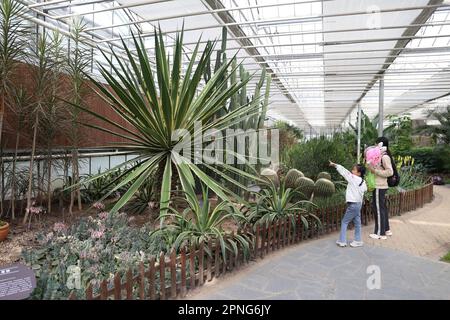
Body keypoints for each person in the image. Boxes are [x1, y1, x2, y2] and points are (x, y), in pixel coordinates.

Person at [329, 160, 367, 247]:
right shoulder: (362, 181)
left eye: (354, 170)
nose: (352, 171)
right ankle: (358, 240)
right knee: (357, 222)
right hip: (358, 204)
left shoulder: (353, 178)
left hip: (353, 204)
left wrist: (335, 165)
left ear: (359, 173)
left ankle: (342, 241)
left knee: (344, 222)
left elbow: (344, 172)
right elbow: (365, 190)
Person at [366, 137, 394, 240]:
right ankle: (386, 229)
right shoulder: (379, 156)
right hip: (380, 186)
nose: (375, 145)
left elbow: (390, 172)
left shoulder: (384, 157)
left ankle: (379, 233)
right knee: (382, 208)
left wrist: (375, 171)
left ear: (381, 144)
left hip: (379, 186)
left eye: (376, 143)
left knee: (378, 208)